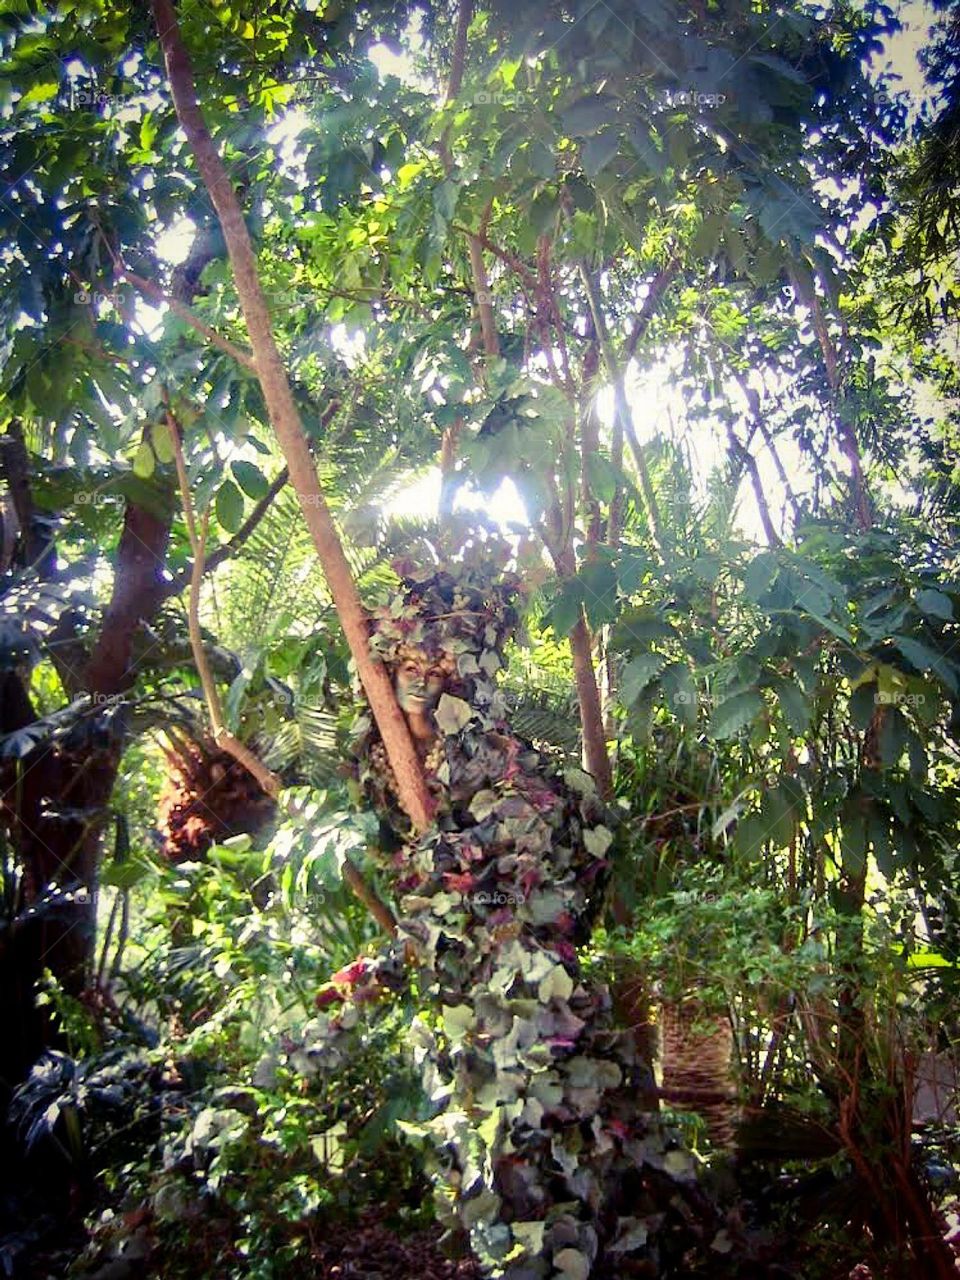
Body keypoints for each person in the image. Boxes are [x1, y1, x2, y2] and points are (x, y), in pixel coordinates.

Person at [314, 541, 704, 1278]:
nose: (421, 687)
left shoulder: (509, 766)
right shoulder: (388, 768)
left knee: (544, 1158)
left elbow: (498, 892)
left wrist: (409, 942)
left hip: (531, 998)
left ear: (469, 677)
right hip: (475, 998)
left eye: (438, 672)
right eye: (406, 670)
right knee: (498, 1157)